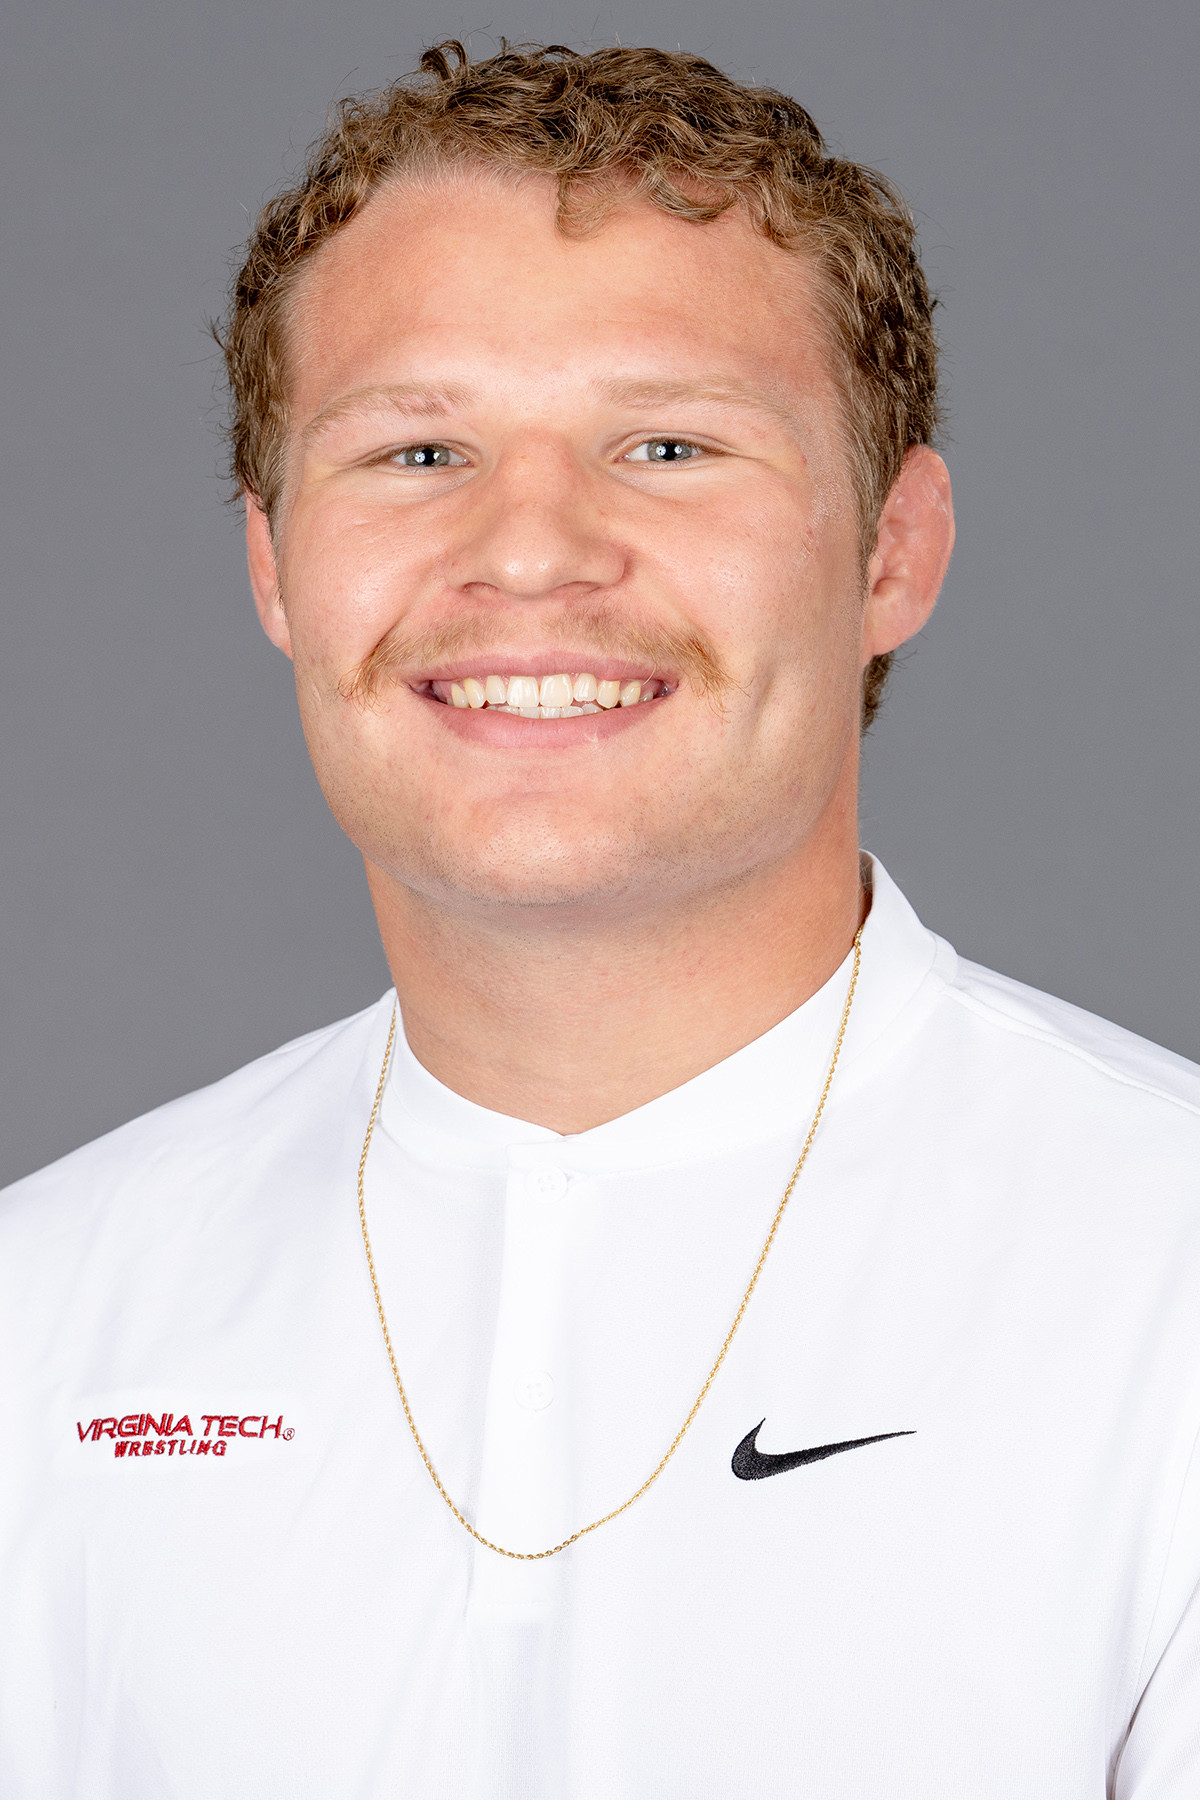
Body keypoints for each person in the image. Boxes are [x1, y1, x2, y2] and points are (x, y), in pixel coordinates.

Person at [0, 39, 1196, 1799]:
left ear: (892, 552)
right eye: (418, 448)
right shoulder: (44, 1312)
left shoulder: (1167, 1281)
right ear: (273, 567)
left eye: (667, 444)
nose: (532, 550)